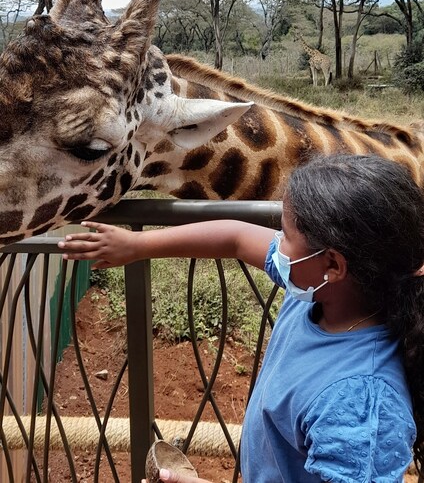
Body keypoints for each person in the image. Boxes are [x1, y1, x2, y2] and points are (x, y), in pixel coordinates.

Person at [58, 154, 424, 483]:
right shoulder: (326, 293)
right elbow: (234, 237)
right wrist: (137, 246)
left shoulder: (359, 404)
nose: (276, 243)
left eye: (286, 236)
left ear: (333, 264)